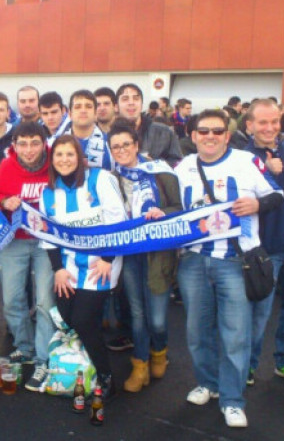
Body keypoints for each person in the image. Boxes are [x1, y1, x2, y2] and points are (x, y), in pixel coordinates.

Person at [175, 109, 284, 428]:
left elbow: (278, 193)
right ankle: (208, 384)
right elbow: (173, 210)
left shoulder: (246, 162)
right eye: (203, 131)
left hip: (236, 262)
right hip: (194, 260)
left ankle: (233, 399)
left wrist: (257, 205)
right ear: (193, 136)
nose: (210, 136)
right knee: (197, 331)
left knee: (235, 334)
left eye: (217, 131)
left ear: (227, 134)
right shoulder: (183, 167)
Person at [42, 135, 126, 400]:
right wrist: (57, 269)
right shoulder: (48, 191)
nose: (64, 160)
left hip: (99, 263)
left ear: (79, 158)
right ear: (52, 160)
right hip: (67, 266)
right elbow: (49, 234)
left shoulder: (99, 179)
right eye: (59, 155)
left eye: (70, 154)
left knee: (83, 319)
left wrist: (108, 259)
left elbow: (117, 221)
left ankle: (106, 376)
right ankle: (85, 362)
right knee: (67, 314)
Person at [108, 122, 181, 393]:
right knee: (138, 314)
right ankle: (140, 365)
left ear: (137, 145)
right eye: (115, 147)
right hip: (130, 254)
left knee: (158, 319)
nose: (122, 150)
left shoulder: (161, 173)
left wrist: (164, 214)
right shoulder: (111, 179)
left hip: (157, 254)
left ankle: (159, 351)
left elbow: (178, 207)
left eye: (126, 144)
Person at [245, 100, 284, 387]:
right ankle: (247, 366)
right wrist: (268, 172)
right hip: (267, 250)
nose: (270, 128)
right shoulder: (243, 158)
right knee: (260, 313)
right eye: (262, 122)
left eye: (274, 122)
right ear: (250, 125)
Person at [0, 121, 55, 389]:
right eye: (23, 144)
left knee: (43, 302)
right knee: (12, 300)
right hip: (15, 240)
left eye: (35, 143)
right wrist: (5, 202)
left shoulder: (54, 162)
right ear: (14, 146)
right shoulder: (7, 165)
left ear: (44, 144)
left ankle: (43, 359)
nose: (29, 150)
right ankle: (24, 347)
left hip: (46, 242)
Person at [116, 83, 182, 166]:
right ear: (116, 106)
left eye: (136, 99)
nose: (131, 103)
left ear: (142, 104)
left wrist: (154, 165)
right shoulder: (109, 135)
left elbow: (177, 163)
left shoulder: (164, 132)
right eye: (125, 99)